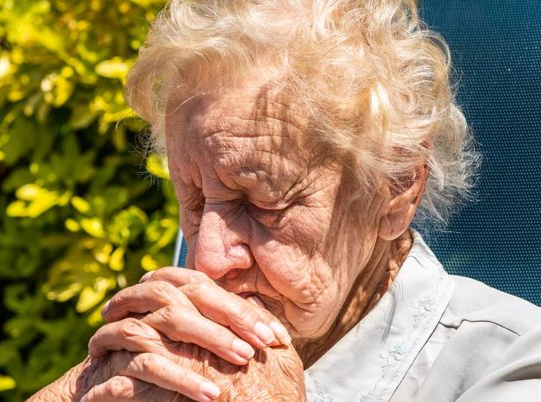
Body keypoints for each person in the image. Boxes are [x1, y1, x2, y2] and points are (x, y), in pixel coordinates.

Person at [29, 0, 541, 400]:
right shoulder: (151, 368)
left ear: (396, 186)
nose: (206, 260)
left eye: (259, 204)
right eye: (194, 199)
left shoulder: (514, 365)